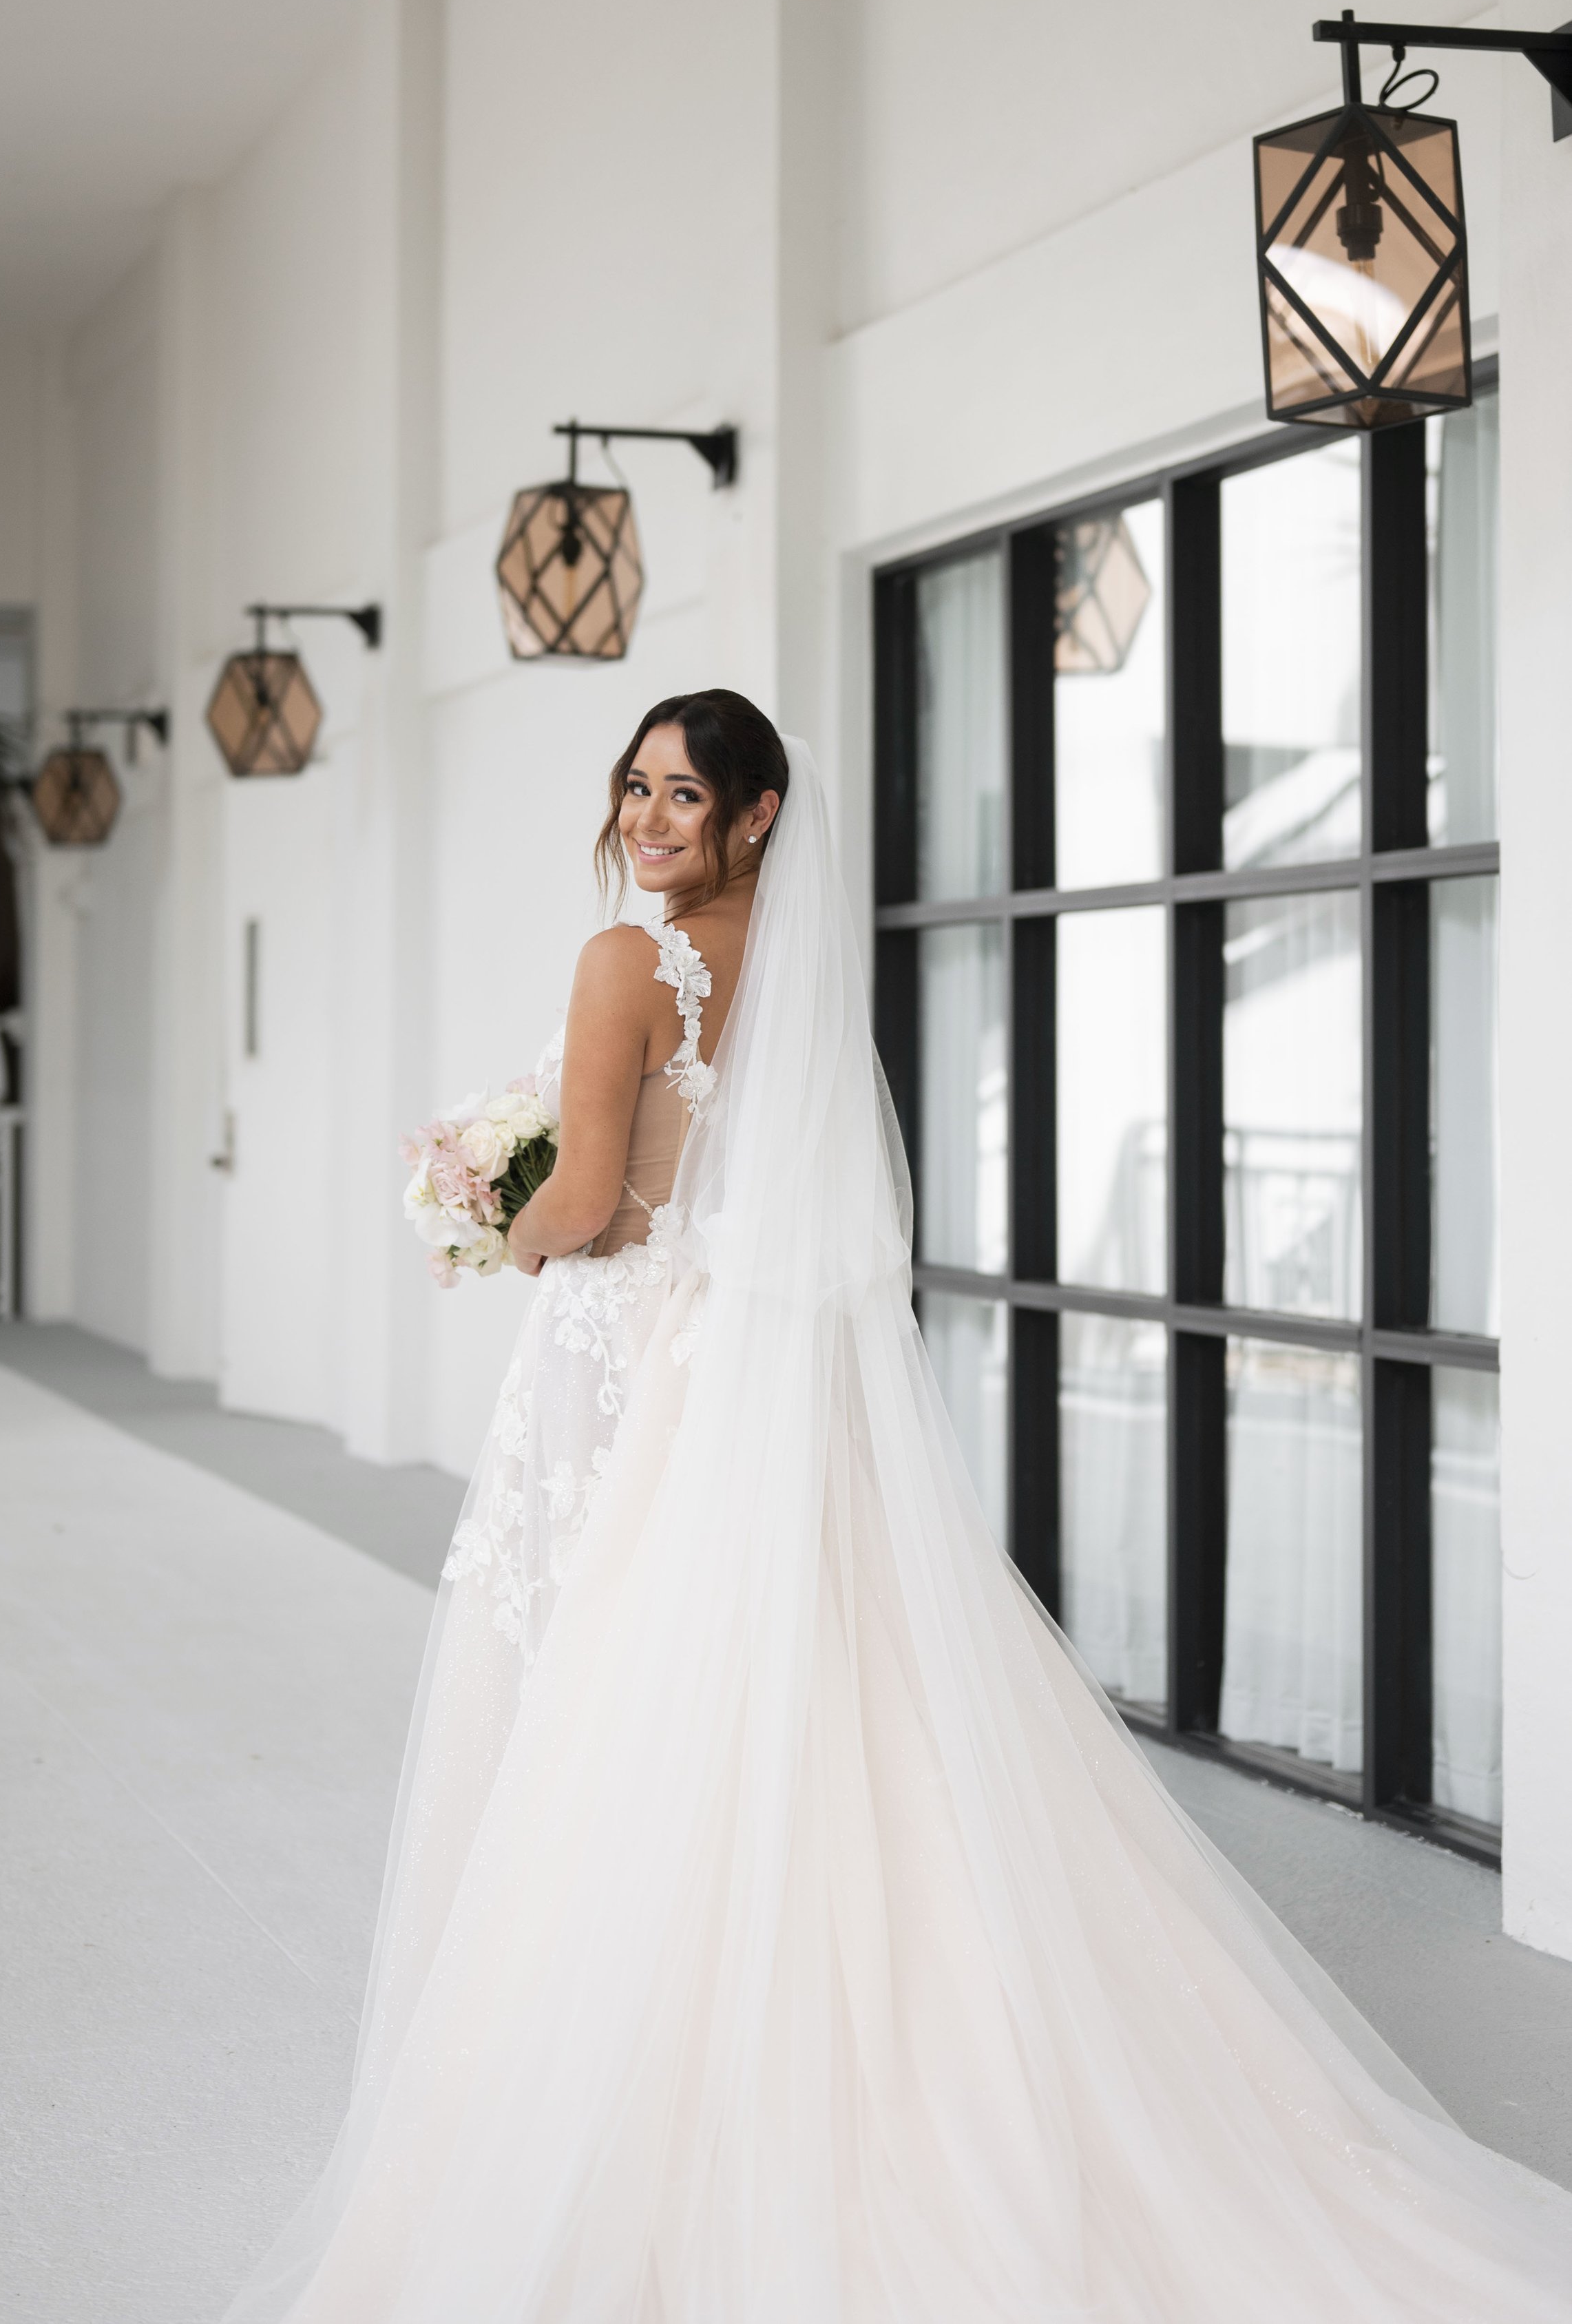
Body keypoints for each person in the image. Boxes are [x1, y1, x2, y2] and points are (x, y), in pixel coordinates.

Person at [227, 689, 1572, 2323]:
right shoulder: (790, 980)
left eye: (682, 794)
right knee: (812, 1706)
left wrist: (486, 1221)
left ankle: (646, 2086)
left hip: (629, 1374)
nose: (648, 820)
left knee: (617, 1707)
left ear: (759, 808)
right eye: (633, 788)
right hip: (750, 1388)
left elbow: (584, 1200)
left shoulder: (620, 965)